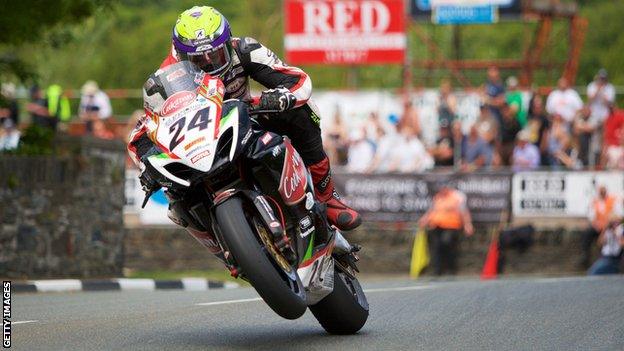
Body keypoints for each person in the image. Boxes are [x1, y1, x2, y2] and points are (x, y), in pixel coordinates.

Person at [128, 6, 361, 230]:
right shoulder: (163, 80)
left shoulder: (244, 49)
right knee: (174, 200)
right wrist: (146, 165)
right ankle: (219, 242)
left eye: (217, 54)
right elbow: (141, 132)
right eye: (199, 60)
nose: (210, 62)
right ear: (180, 56)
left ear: (228, 41)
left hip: (245, 120)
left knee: (303, 111)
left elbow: (299, 81)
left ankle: (326, 196)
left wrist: (280, 97)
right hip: (196, 146)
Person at [418, 185, 474, 275]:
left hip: (451, 226)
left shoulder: (457, 197)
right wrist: (424, 220)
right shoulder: (437, 197)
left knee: (447, 244)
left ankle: (450, 269)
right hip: (436, 226)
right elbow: (431, 211)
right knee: (436, 247)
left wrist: (468, 224)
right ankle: (437, 270)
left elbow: (464, 212)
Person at [580, 185, 618, 268]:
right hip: (598, 227)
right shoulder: (596, 202)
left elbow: (614, 216)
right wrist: (595, 224)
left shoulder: (611, 200)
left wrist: (606, 227)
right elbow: (592, 216)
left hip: (609, 227)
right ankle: (585, 256)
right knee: (586, 234)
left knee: (607, 238)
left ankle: (607, 258)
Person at [484, 66, 506, 132]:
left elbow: (501, 102)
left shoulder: (500, 86)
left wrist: (489, 101)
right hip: (488, 115)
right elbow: (483, 97)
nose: (491, 74)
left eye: (493, 71)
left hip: (497, 115)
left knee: (496, 134)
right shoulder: (487, 85)